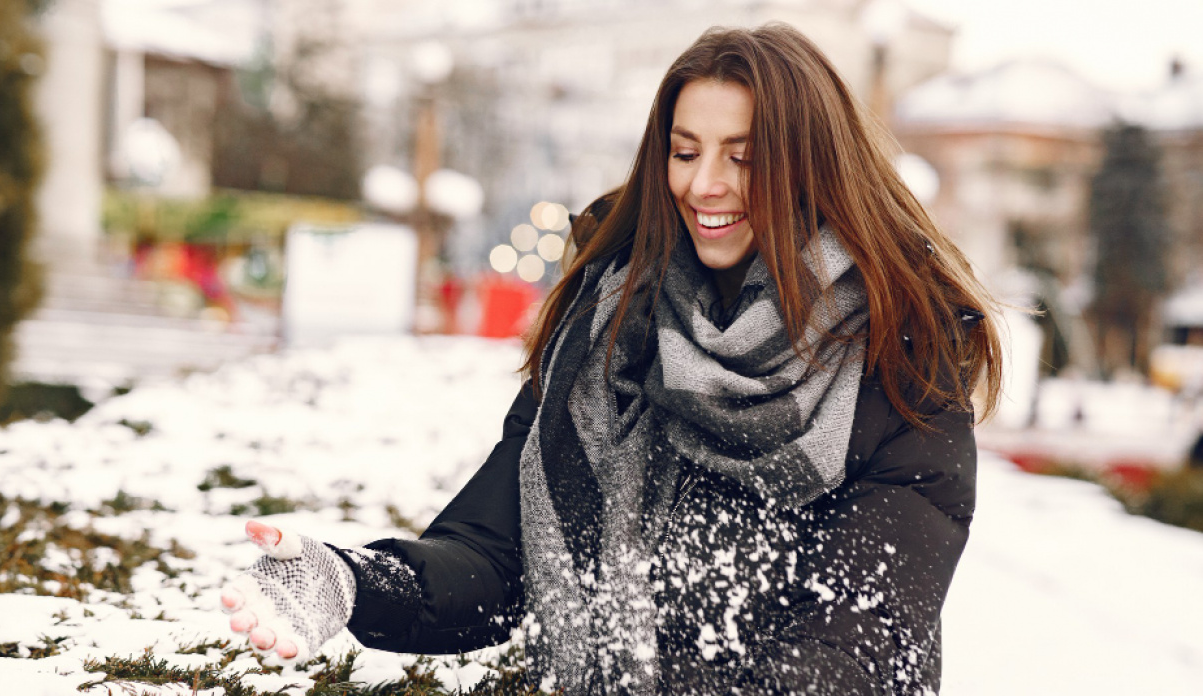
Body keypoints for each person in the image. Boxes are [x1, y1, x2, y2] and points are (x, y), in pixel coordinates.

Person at [218, 23, 1002, 695]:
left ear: (810, 165)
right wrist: (354, 583)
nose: (705, 184)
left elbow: (863, 642)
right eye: (685, 151)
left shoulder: (901, 361)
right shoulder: (607, 324)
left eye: (744, 156)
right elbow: (496, 556)